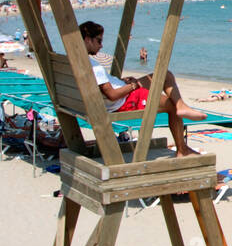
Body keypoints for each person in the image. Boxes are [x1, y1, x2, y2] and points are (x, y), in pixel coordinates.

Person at [80, 20, 205, 157]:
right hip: (125, 100)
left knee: (165, 75)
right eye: (98, 41)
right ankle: (182, 149)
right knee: (171, 105)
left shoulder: (76, 61)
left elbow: (104, 88)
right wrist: (134, 86)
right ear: (87, 40)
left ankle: (182, 106)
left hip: (121, 94)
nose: (101, 45)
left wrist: (122, 82)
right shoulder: (93, 67)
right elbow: (112, 95)